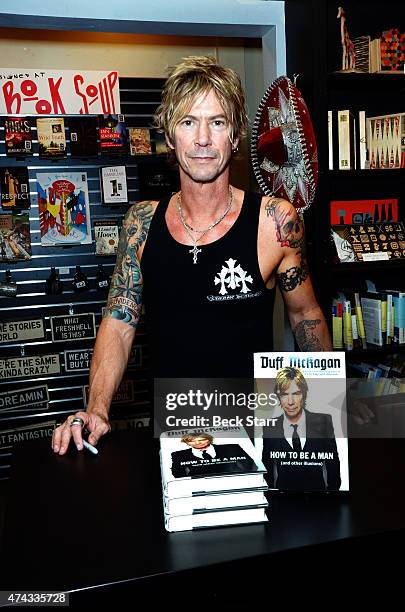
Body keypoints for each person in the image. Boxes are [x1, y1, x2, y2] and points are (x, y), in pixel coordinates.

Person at [52, 55, 332, 455]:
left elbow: (306, 315)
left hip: (257, 435)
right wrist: (96, 409)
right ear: (170, 135)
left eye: (217, 122)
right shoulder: (141, 224)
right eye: (188, 122)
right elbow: (118, 322)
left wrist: (326, 409)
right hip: (172, 438)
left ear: (235, 137)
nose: (202, 139)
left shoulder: (274, 221)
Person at [262, 367, 341, 491]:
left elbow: (333, 464)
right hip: (283, 499)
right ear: (278, 396)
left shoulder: (323, 422)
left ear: (304, 394)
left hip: (318, 499)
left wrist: (332, 497)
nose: (290, 401)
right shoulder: (270, 426)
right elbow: (267, 468)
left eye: (295, 393)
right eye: (284, 394)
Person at [170, 433, 257, 478]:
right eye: (191, 441)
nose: (197, 443)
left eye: (202, 439)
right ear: (187, 443)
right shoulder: (178, 455)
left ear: (209, 439)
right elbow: (177, 475)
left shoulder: (232, 448)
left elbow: (251, 466)